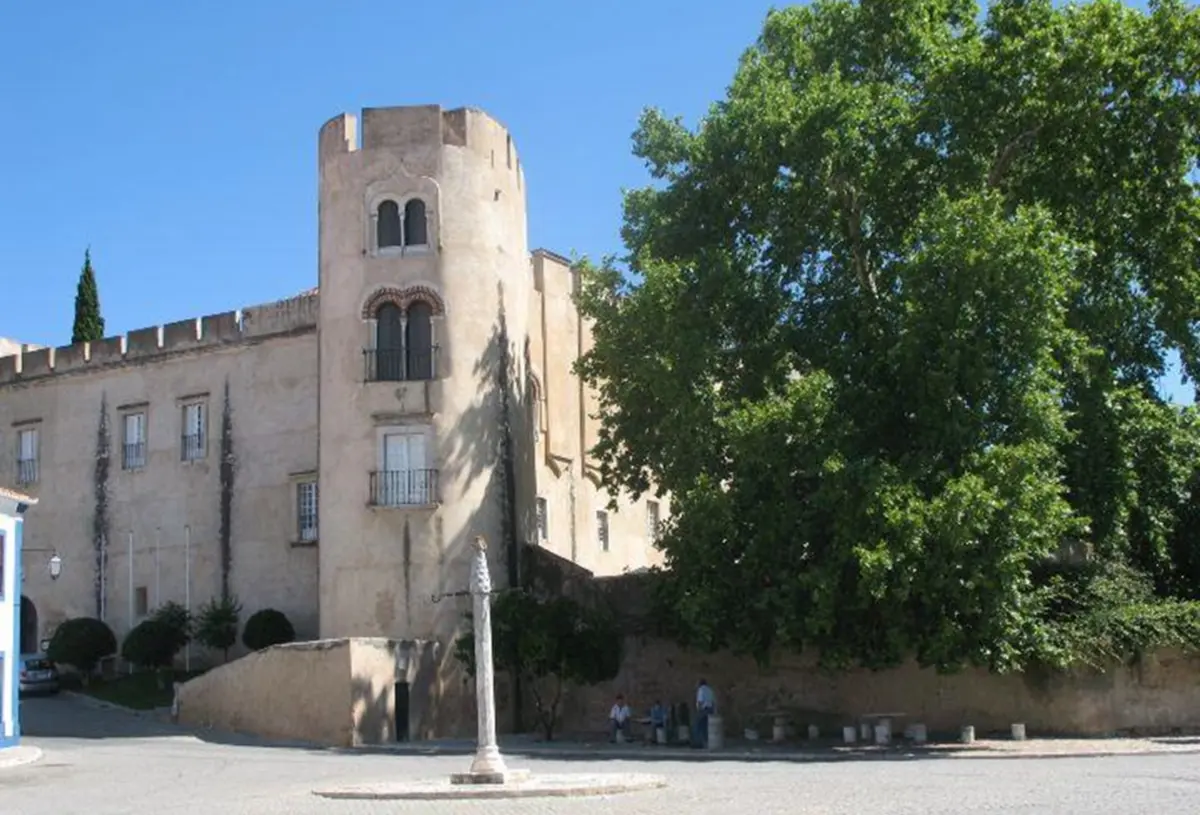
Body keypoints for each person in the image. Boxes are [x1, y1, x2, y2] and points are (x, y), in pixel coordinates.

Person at [693, 678, 715, 747]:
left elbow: (700, 701)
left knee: (698, 725)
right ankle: (707, 742)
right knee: (706, 726)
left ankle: (698, 742)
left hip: (704, 709)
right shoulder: (710, 689)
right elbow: (713, 701)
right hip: (710, 709)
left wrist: (698, 711)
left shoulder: (701, 689)